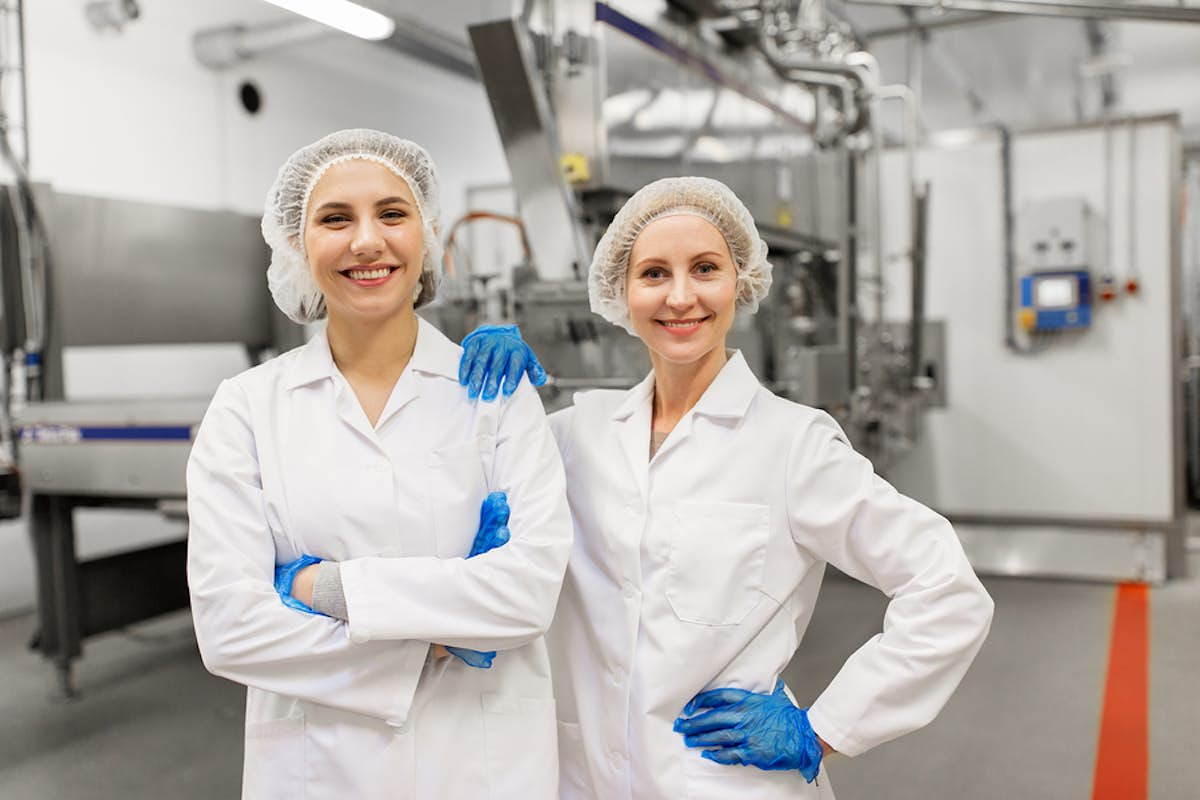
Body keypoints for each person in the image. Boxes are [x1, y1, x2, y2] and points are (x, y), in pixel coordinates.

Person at [459, 176, 995, 799]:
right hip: (587, 780)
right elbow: (459, 496)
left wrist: (823, 728)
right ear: (620, 292)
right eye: (654, 273)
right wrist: (488, 402)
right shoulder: (576, 436)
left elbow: (947, 590)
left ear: (740, 284)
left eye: (705, 268)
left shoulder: (793, 445)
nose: (680, 296)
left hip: (728, 782)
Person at [186, 129, 571, 800]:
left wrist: (325, 591)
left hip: (481, 763)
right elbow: (228, 629)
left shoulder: (493, 392)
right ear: (298, 245)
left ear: (426, 235)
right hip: (316, 768)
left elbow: (531, 593)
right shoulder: (247, 407)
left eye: (392, 213)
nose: (366, 240)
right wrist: (436, 640)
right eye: (335, 219)